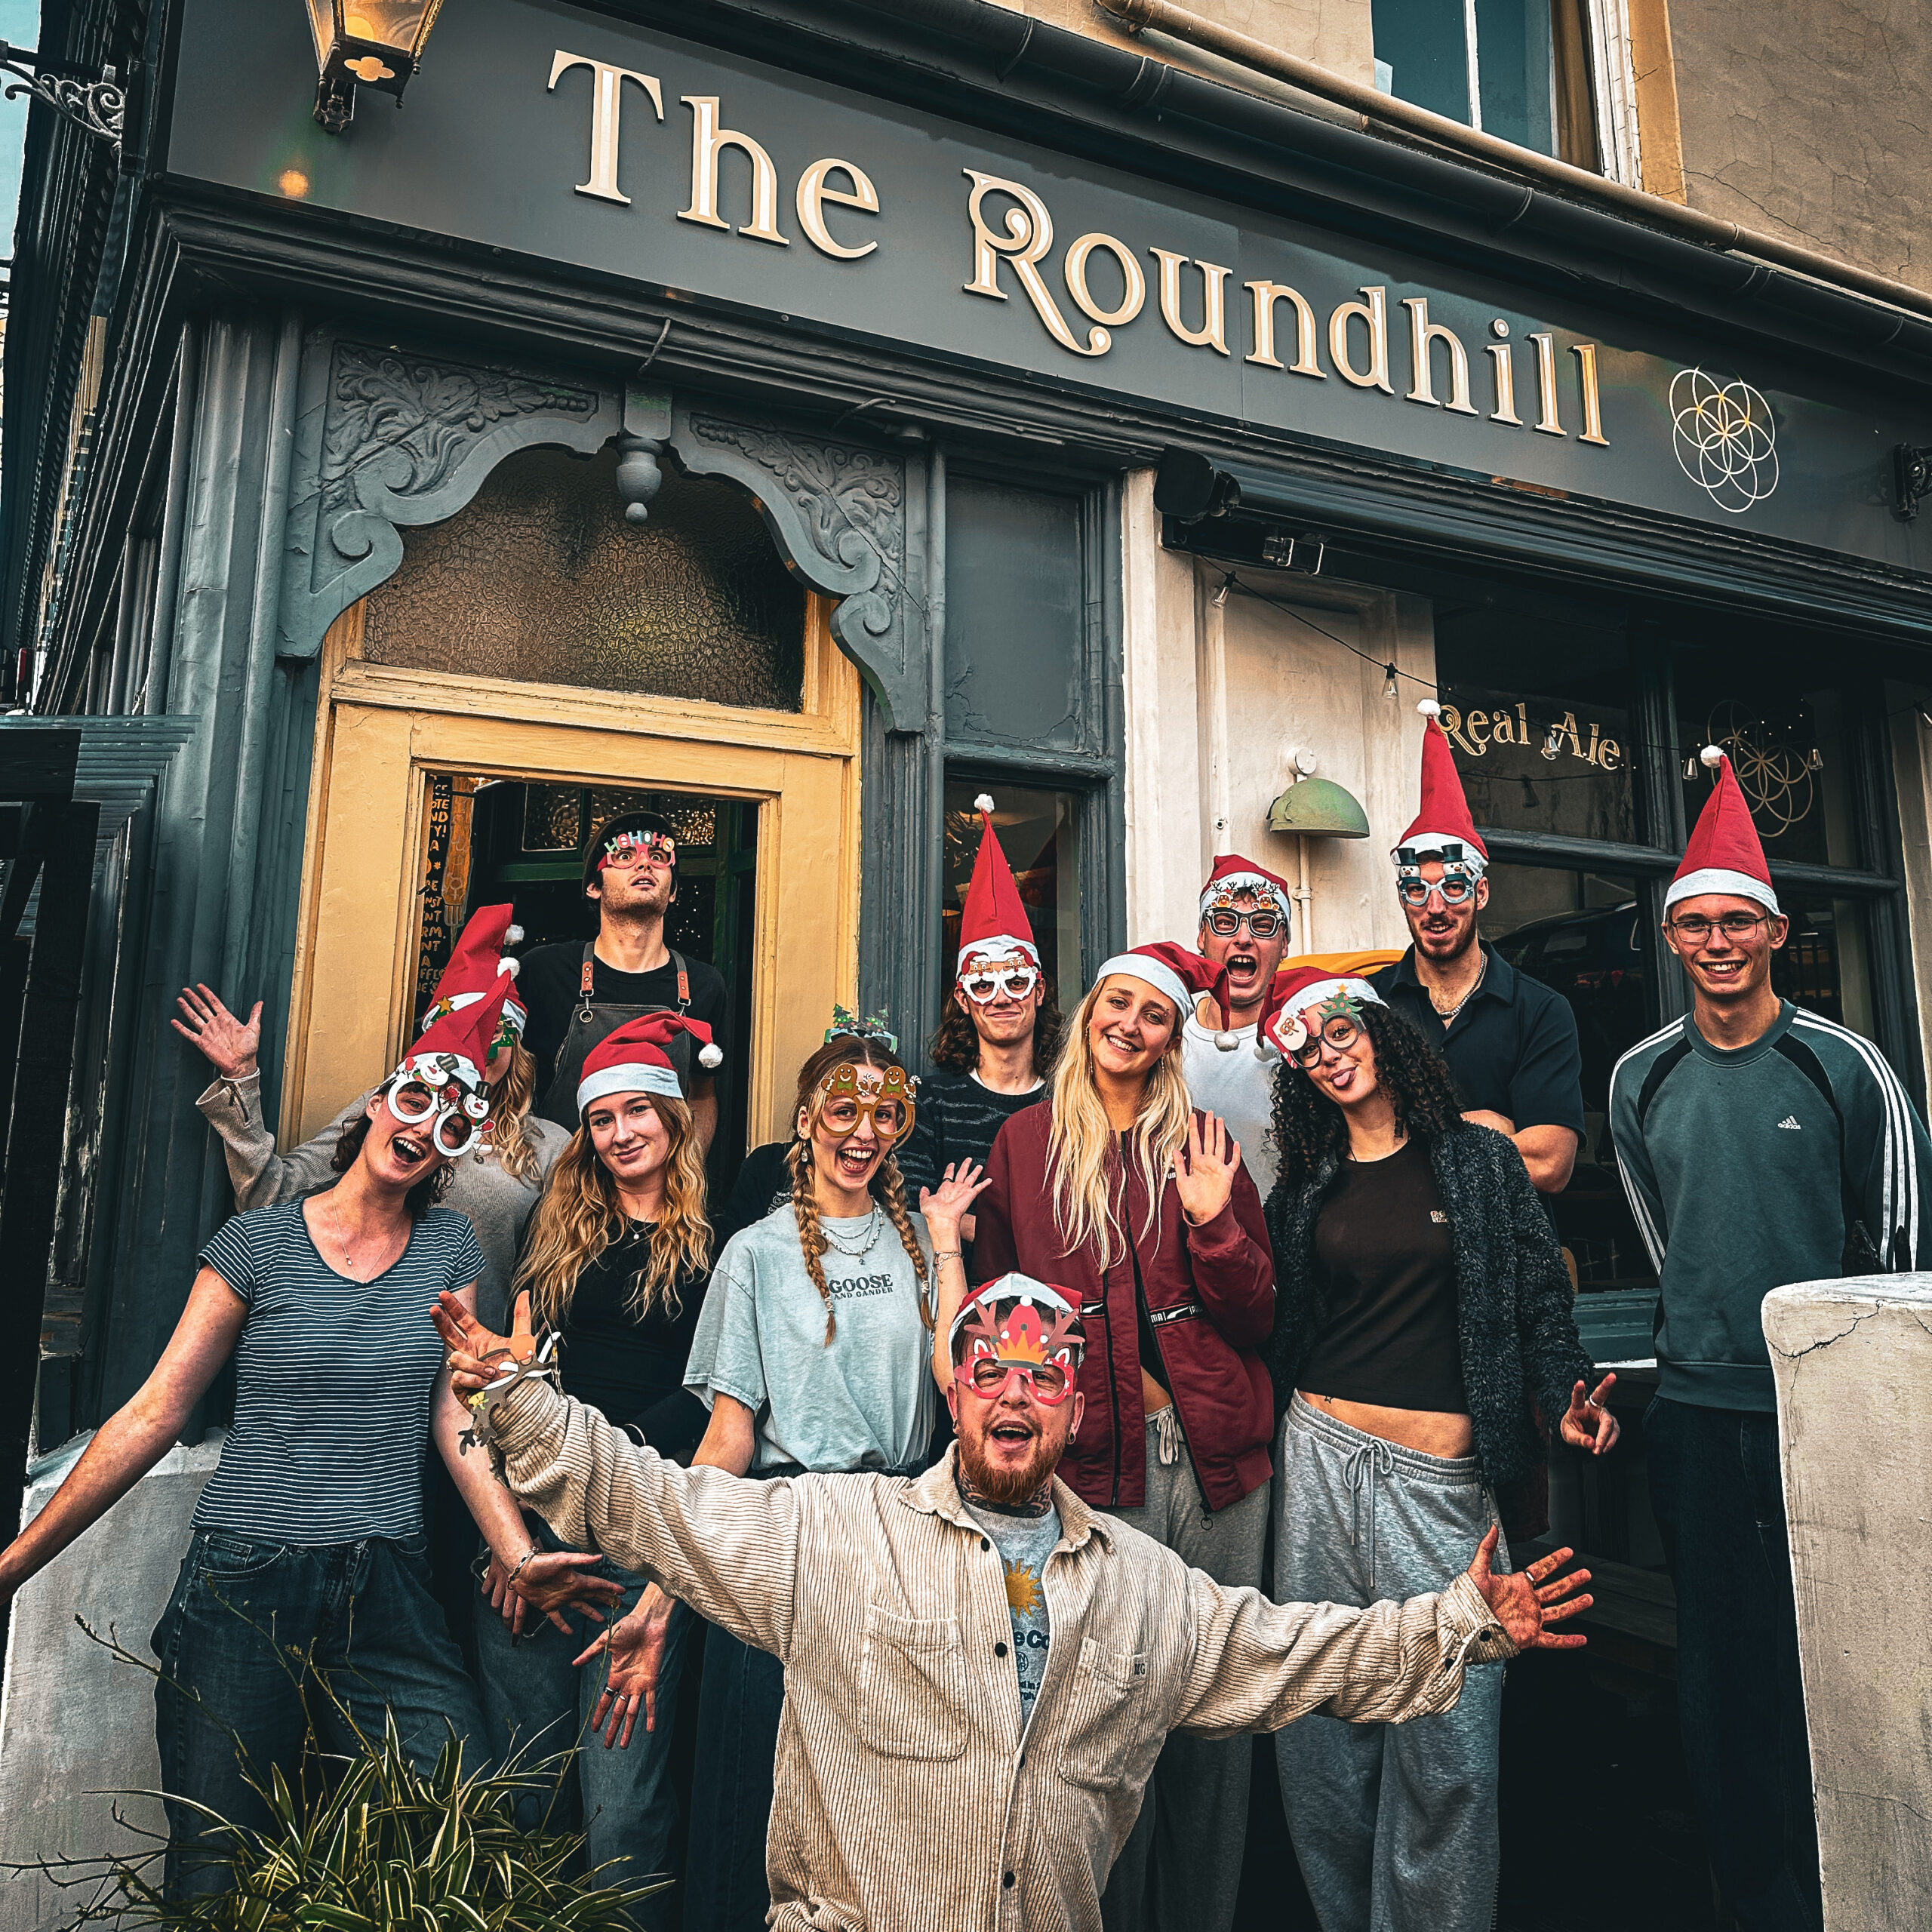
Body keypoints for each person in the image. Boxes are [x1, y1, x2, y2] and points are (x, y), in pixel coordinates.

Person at [433, 1273, 1594, 1932]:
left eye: (1046, 1378)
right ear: (954, 1391)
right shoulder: (833, 1531)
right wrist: (525, 1405)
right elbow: (649, 1500)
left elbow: (1295, 1652)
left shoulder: (1146, 1590)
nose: (1017, 1395)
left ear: (1078, 1417)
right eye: (990, 1368)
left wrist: (1464, 1622)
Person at [0, 983, 518, 1899]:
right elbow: (155, 1412)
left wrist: (515, 1553)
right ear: (377, 1102)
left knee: (460, 1808)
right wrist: (13, 1564)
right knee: (217, 1861)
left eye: (449, 1121)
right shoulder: (259, 1242)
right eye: (415, 1098)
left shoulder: (450, 1249)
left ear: (456, 1149)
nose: (424, 1125)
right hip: (247, 1576)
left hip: (388, 1581)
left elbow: (455, 1415)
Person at [1607, 746, 1932, 1932]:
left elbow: (1905, 1258)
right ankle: (1758, 1902)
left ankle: (1877, 1886)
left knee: (1855, 1665)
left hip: (1833, 1423)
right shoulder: (1638, 1080)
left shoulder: (1850, 1069)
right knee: (1721, 1678)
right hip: (1699, 1419)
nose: (1719, 942)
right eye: (1697, 924)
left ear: (1777, 932)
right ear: (1673, 940)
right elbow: (1661, 1242)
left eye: (1739, 921)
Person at [1257, 965, 1616, 1932]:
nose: (1329, 1057)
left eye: (1342, 1035)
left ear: (1380, 1035)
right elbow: (1281, 1322)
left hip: (1442, 1479)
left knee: (1450, 1731)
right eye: (1308, 1049)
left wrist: (1565, 1394)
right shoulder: (1305, 1186)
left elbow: (1540, 1297)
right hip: (1322, 1456)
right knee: (1325, 1720)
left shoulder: (1478, 1161)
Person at [603, 1018, 952, 1932]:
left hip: (902, 1530)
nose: (862, 1129)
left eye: (885, 1112)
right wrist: (656, 1600)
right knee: (755, 1792)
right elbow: (724, 1441)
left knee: (887, 1798)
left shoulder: (922, 1237)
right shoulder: (753, 1253)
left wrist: (950, 1247)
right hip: (783, 1535)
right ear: (805, 1120)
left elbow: (962, 1390)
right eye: (842, 1107)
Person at [973, 940, 1274, 1932]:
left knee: (1214, 1704)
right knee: (1100, 1716)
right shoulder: (1023, 1142)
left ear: (1171, 1038)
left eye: (1155, 1015)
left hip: (1212, 1458)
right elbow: (1003, 1313)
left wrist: (1216, 1224)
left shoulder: (1202, 1140)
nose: (1131, 1026)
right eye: (1120, 1004)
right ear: (1091, 1011)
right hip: (1096, 1469)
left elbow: (1258, 1315)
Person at [439, 1012, 716, 1928]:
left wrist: (600, 1461)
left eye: (641, 1110)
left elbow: (712, 1400)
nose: (622, 1131)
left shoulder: (718, 1246)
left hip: (643, 1534)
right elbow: (509, 1387)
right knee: (525, 1792)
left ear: (675, 1119)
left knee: (622, 1806)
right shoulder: (553, 1240)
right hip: (533, 1531)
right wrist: (511, 1540)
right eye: (603, 1118)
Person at [177, 904, 568, 1321]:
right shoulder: (391, 1113)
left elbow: (551, 1282)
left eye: (495, 1033)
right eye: (463, 1032)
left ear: (518, 1044)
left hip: (470, 1361)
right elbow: (270, 1195)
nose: (478, 1049)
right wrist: (241, 1079)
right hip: (366, 1340)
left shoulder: (549, 1146)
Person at [1368, 704, 1585, 1195]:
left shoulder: (1542, 1010)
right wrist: (1490, 1125)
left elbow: (1550, 1164)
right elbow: (1342, 1140)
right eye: (1417, 891)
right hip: (1398, 1262)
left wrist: (1407, 1139)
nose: (1435, 907)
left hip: (1507, 1259)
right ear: (1403, 898)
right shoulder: (1365, 1002)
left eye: (1454, 888)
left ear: (1481, 892)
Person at [897, 794, 1063, 1268]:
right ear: (965, 1000)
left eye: (1015, 981)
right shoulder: (928, 1101)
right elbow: (914, 1203)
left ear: (1039, 991)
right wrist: (1027, 1229)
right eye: (984, 985)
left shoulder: (1071, 1098)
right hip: (954, 1299)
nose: (1002, 997)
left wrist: (977, 1221)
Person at [517, 811, 728, 1138]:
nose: (644, 865)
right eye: (624, 856)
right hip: (554, 1179)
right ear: (593, 887)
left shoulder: (704, 985)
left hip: (657, 1184)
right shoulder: (543, 972)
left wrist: (688, 1179)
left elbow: (701, 1095)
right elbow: (506, 1080)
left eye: (658, 858)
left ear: (673, 892)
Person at [1182, 854, 1295, 1199]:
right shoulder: (1166, 1037)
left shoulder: (1307, 1040)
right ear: (1202, 936)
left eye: (1262, 924)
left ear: (1285, 943)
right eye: (1225, 922)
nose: (1243, 939)